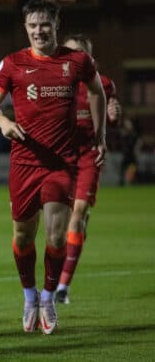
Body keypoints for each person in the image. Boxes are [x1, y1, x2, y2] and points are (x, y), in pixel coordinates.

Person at [0, 0, 107, 334]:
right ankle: (29, 297)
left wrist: (100, 136)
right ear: (26, 27)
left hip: (61, 163)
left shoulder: (77, 61)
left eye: (45, 25)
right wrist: (3, 123)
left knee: (55, 235)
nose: (39, 31)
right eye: (33, 25)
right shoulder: (13, 64)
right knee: (23, 237)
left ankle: (48, 297)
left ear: (56, 25)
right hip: (24, 163)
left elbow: (98, 92)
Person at [54, 34, 122, 304]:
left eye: (78, 53)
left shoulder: (103, 85)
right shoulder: (56, 83)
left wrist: (113, 118)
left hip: (88, 156)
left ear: (89, 58)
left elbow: (108, 119)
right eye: (68, 53)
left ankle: (62, 287)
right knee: (59, 224)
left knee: (78, 212)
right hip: (60, 158)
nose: (73, 58)